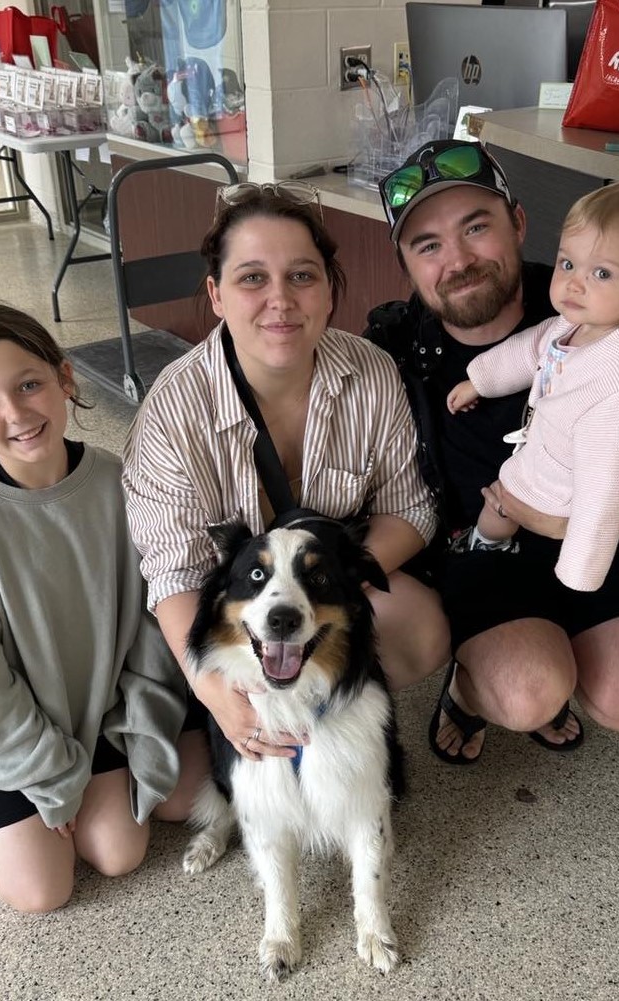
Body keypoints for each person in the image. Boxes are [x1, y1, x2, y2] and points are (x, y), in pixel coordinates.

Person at [366, 140, 619, 763]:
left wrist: (593, 522)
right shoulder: (396, 347)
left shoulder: (611, 311)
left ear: (517, 223)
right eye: (427, 245)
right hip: (485, 554)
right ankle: (470, 686)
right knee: (527, 693)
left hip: (609, 539)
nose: (455, 260)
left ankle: (563, 650)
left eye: (475, 227)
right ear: (406, 263)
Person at [122, 181, 449, 762]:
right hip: (225, 611)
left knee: (421, 630)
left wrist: (336, 582)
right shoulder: (174, 410)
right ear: (216, 295)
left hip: (318, 591)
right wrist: (214, 691)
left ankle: (320, 721)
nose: (280, 299)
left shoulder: (371, 373)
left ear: (328, 291)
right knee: (184, 766)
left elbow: (410, 508)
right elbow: (173, 574)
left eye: (302, 275)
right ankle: (246, 714)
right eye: (252, 277)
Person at [0, 304, 207, 913]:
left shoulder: (113, 481)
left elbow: (148, 616)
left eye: (29, 384)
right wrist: (47, 778)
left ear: (64, 379)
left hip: (93, 704)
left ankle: (69, 774)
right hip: (2, 723)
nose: (16, 414)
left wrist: (143, 717)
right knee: (42, 893)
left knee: (123, 850)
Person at [446, 180, 619, 592]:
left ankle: (486, 545)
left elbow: (602, 494)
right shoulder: (581, 322)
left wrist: (580, 570)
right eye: (567, 264)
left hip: (591, 478)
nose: (574, 283)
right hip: (616, 463)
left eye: (602, 273)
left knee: (504, 497)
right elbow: (531, 348)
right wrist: (480, 380)